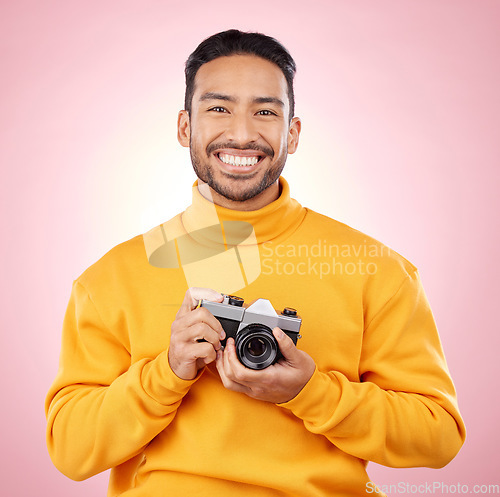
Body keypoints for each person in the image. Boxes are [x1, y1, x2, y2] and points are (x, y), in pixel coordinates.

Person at [45, 29, 465, 496]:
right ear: (185, 127)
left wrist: (309, 392)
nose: (242, 134)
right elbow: (69, 449)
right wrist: (167, 372)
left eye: (265, 112)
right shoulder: (110, 280)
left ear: (293, 132)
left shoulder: (377, 271)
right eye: (219, 108)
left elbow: (438, 436)